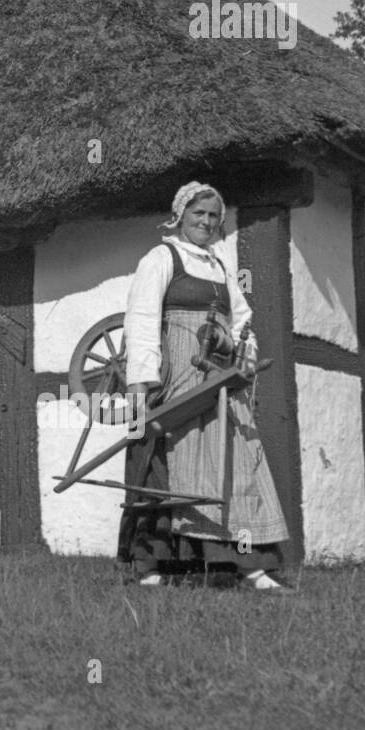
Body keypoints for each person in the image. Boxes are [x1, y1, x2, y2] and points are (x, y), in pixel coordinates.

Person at [119, 183, 289, 589]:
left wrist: (241, 350)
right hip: (175, 377)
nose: (207, 222)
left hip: (218, 378)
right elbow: (141, 320)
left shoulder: (220, 267)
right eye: (199, 215)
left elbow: (243, 319)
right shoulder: (161, 258)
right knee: (165, 464)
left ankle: (251, 567)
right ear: (181, 216)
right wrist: (143, 382)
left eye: (214, 216)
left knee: (238, 464)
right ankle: (153, 568)